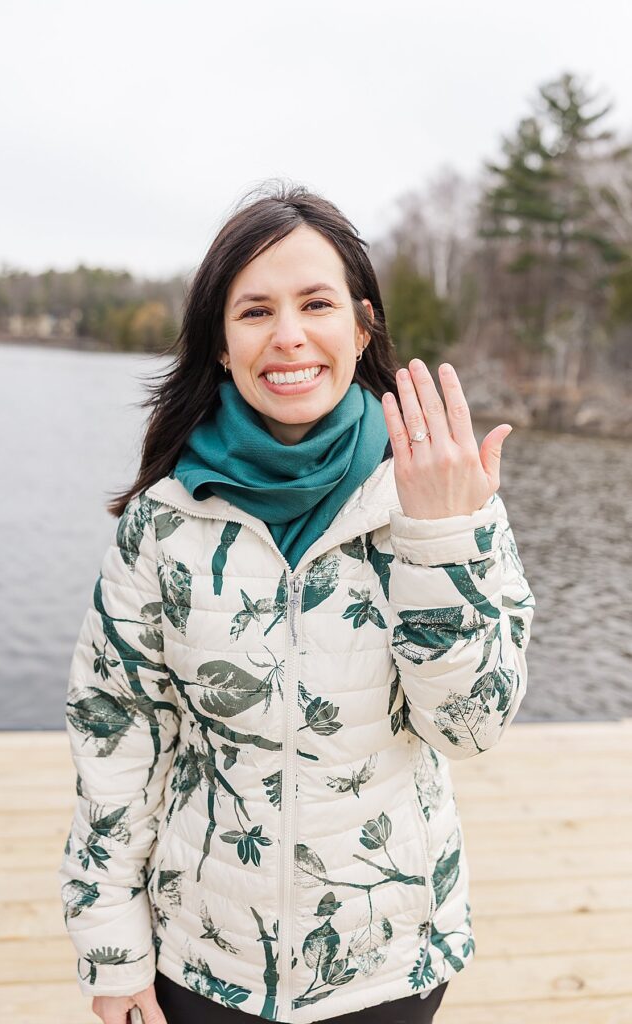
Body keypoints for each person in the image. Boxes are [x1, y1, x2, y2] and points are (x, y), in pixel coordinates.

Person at [58, 181, 535, 1024]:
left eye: (315, 303)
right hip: (202, 957)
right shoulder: (164, 526)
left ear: (360, 327)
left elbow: (470, 728)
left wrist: (438, 537)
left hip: (390, 960)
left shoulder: (441, 495)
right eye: (254, 311)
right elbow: (115, 737)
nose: (287, 337)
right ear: (218, 342)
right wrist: (111, 948)